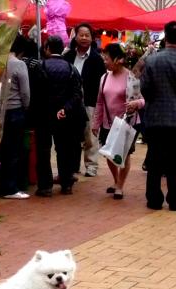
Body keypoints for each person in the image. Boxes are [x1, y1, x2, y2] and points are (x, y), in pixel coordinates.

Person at [140, 21, 176, 211]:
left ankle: (154, 199)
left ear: (165, 35)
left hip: (156, 117)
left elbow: (145, 88)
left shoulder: (152, 60)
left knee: (154, 160)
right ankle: (175, 199)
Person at [35, 36, 87, 196]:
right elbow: (77, 94)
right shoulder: (71, 68)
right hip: (65, 115)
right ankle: (66, 183)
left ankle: (45, 186)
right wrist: (66, 108)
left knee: (43, 150)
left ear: (47, 48)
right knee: (64, 149)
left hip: (44, 114)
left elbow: (35, 93)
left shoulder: (41, 66)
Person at [92, 43, 144, 200]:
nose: (105, 61)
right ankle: (116, 181)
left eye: (107, 58)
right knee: (109, 155)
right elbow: (100, 102)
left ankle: (120, 186)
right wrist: (96, 123)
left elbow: (142, 100)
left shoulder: (131, 77)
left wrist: (136, 104)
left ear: (118, 59)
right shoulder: (104, 77)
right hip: (108, 123)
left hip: (127, 123)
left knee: (124, 155)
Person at [63, 23, 106, 177]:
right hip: (71, 103)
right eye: (81, 34)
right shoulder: (67, 56)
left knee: (90, 135)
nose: (84, 38)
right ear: (75, 36)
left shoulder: (97, 58)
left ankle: (91, 166)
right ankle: (73, 167)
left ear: (91, 37)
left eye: (87, 35)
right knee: (72, 136)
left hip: (89, 101)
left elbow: (101, 82)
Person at [0, 35, 31, 199]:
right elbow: (25, 93)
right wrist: (26, 107)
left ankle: (0, 184)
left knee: (0, 150)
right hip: (15, 111)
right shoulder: (19, 64)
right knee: (14, 150)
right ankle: (10, 188)